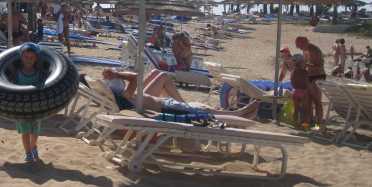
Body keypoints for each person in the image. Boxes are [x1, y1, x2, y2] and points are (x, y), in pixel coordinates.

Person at [100, 68, 260, 119]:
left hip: (164, 104)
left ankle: (236, 115)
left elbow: (134, 78)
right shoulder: (125, 95)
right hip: (168, 108)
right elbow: (135, 77)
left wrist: (113, 76)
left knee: (202, 109)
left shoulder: (122, 95)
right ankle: (238, 114)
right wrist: (117, 74)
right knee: (204, 110)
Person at [11, 43, 47, 162]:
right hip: (21, 107)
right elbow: (12, 86)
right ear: (21, 57)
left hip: (36, 107)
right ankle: (28, 152)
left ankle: (33, 147)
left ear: (36, 58)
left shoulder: (39, 73)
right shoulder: (17, 72)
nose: (28, 60)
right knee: (26, 131)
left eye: (31, 57)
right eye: (26, 57)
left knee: (34, 132)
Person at [295, 36, 326, 128]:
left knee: (317, 102)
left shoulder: (315, 51)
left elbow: (320, 66)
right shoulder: (305, 50)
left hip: (318, 76)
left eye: (301, 46)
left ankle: (319, 125)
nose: (300, 49)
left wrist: (305, 64)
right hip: (309, 76)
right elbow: (306, 64)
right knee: (308, 101)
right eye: (299, 47)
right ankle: (308, 122)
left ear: (306, 43)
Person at [289, 54, 312, 130]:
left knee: (296, 110)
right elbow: (307, 84)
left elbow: (292, 82)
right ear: (300, 63)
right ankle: (305, 127)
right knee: (305, 110)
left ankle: (295, 125)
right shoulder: (304, 72)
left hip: (295, 91)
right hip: (303, 92)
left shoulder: (293, 72)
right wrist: (309, 90)